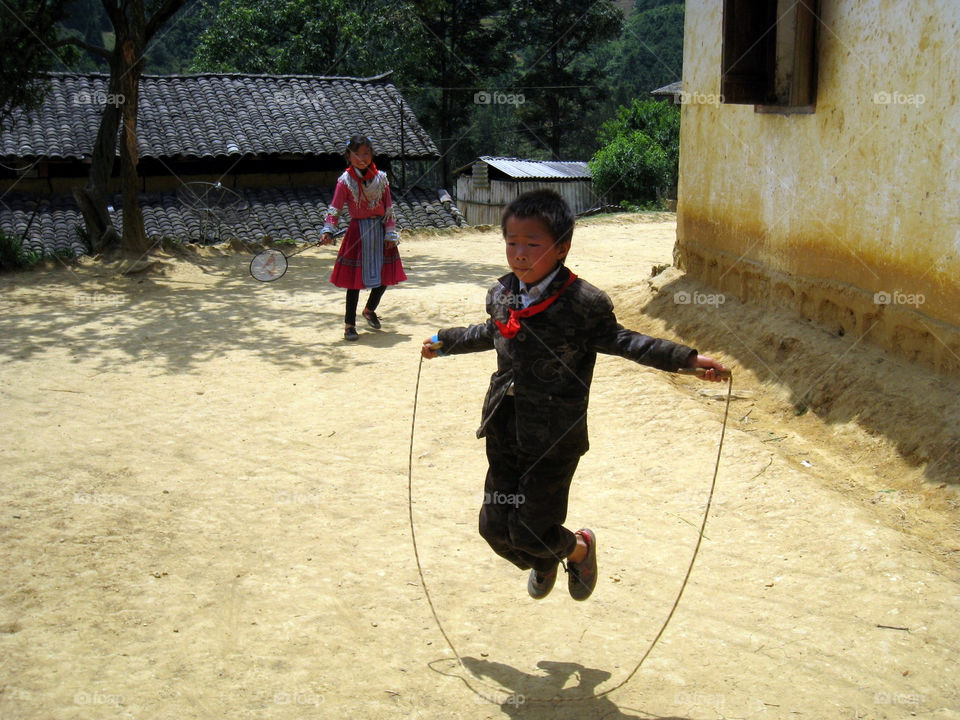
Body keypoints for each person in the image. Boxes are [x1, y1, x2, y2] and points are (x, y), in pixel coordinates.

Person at [421, 189, 727, 601]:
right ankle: (547, 561)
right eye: (511, 243)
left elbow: (625, 341)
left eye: (532, 244)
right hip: (505, 427)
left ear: (562, 247)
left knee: (530, 529)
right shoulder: (502, 294)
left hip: (553, 438)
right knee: (494, 529)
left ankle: (579, 548)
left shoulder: (583, 303)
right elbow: (490, 332)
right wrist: (445, 342)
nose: (519, 254)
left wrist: (686, 360)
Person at [321, 134, 406, 341]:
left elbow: (388, 208)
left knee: (384, 277)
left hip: (380, 231)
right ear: (348, 156)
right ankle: (349, 325)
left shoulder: (382, 179)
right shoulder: (345, 181)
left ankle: (369, 310)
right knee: (354, 283)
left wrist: (390, 232)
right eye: (357, 154)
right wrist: (328, 230)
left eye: (366, 153)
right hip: (357, 233)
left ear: (372, 154)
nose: (362, 158)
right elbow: (336, 208)